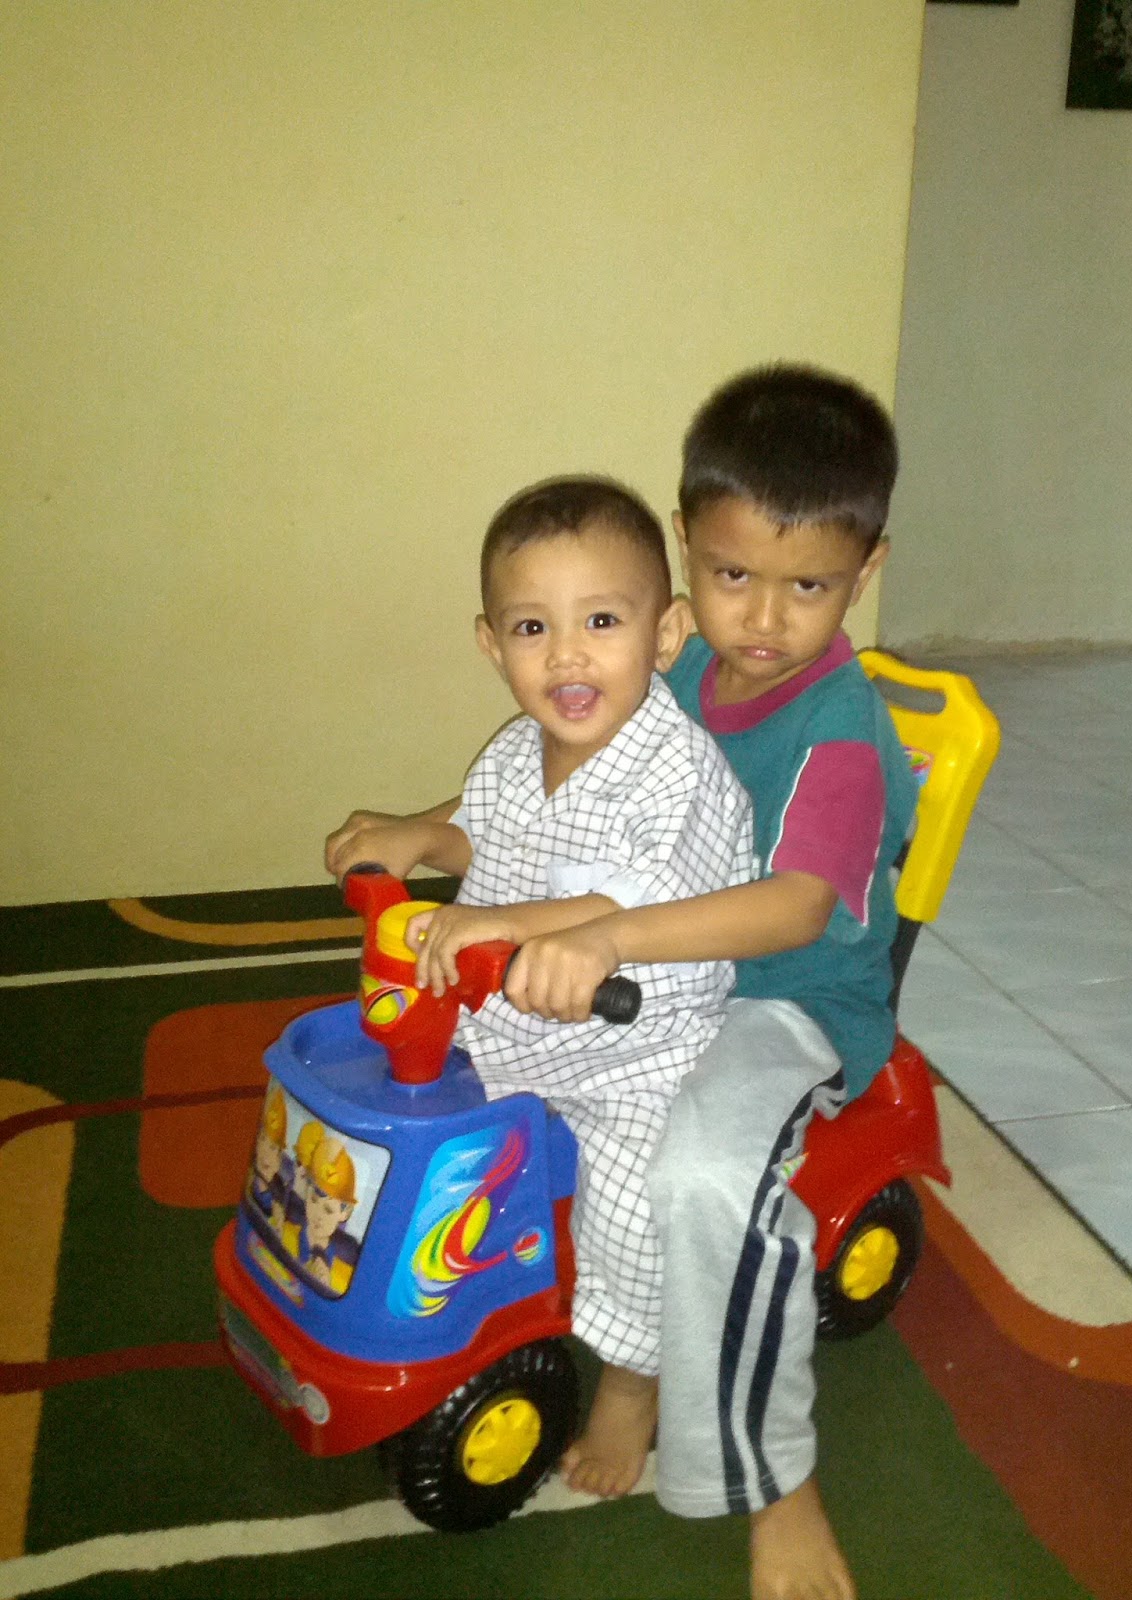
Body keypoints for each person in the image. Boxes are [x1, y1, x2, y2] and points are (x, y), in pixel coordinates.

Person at [326, 367, 917, 1600]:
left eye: (808, 586)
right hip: (636, 980)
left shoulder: (841, 737)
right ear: (686, 558)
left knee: (698, 1178)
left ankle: (773, 1479)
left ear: (865, 571)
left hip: (780, 997)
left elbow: (794, 907)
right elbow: (545, 797)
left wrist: (606, 938)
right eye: (733, 573)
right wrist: (429, 832)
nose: (763, 618)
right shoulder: (672, 663)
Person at [330, 476, 755, 1426]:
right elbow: (481, 837)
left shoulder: (677, 770)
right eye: (532, 628)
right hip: (502, 1020)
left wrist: (511, 926)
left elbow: (645, 896)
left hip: (639, 1051)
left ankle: (634, 1377)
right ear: (493, 645)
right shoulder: (518, 753)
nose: (567, 652)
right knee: (389, 1100)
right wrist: (419, 836)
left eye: (601, 620)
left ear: (667, 633)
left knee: (632, 1206)